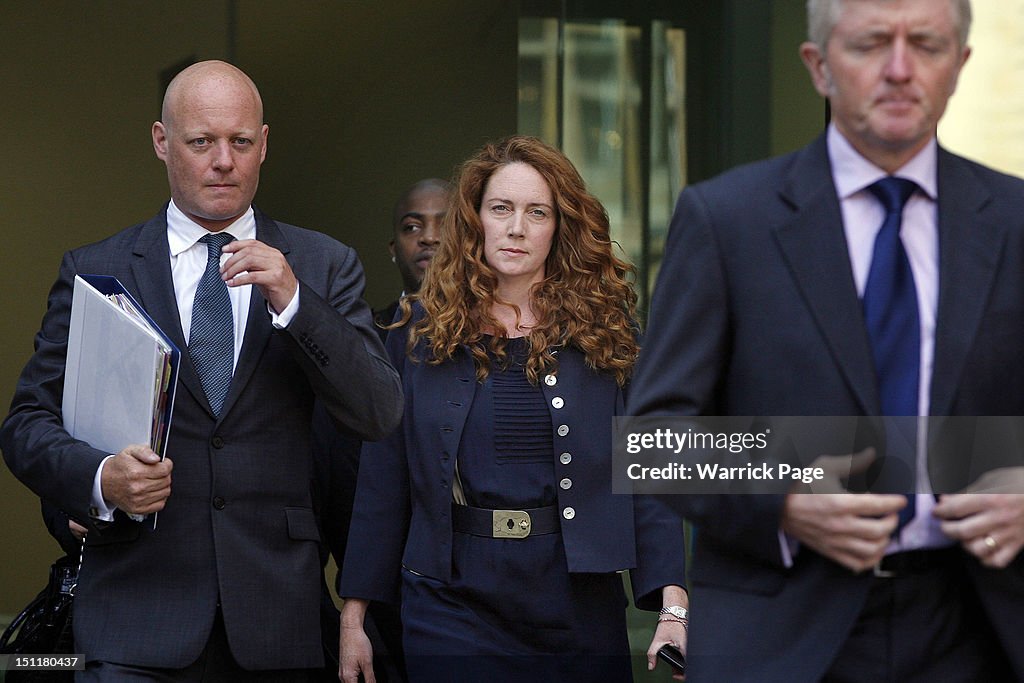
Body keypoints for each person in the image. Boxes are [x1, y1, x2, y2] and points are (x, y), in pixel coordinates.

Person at [628, 0, 1024, 680]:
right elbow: (653, 439)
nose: (899, 69)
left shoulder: (1016, 222)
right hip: (781, 631)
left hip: (982, 623)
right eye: (871, 43)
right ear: (817, 66)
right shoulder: (728, 221)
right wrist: (783, 496)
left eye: (925, 44)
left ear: (958, 65)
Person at [0, 60, 403, 680]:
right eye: (201, 142)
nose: (223, 161)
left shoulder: (322, 264)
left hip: (276, 617)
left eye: (240, 142)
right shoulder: (98, 268)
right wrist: (101, 477)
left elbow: (377, 411)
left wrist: (296, 304)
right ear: (161, 142)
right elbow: (27, 423)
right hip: (136, 616)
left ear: (263, 145)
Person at [338, 135, 688, 683]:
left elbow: (648, 478)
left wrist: (673, 607)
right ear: (474, 220)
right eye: (500, 209)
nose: (516, 227)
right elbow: (384, 480)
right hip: (450, 604)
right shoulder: (417, 336)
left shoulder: (608, 338)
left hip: (577, 604)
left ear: (560, 228)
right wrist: (354, 614)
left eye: (536, 212)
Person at [373, 178, 451, 338]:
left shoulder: (498, 327)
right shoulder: (367, 334)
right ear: (394, 249)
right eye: (412, 227)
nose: (429, 238)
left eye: (447, 226)